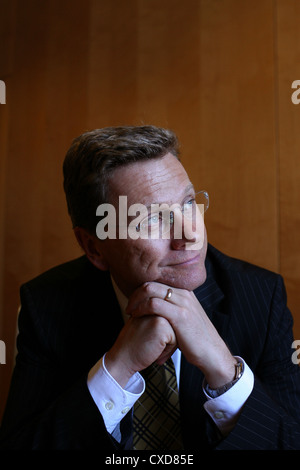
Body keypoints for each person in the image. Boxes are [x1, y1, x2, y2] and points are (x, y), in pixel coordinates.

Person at [0, 125, 300, 450]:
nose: (189, 235)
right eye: (152, 220)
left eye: (188, 203)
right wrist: (117, 368)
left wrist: (225, 370)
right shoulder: (47, 306)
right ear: (94, 247)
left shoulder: (260, 297)